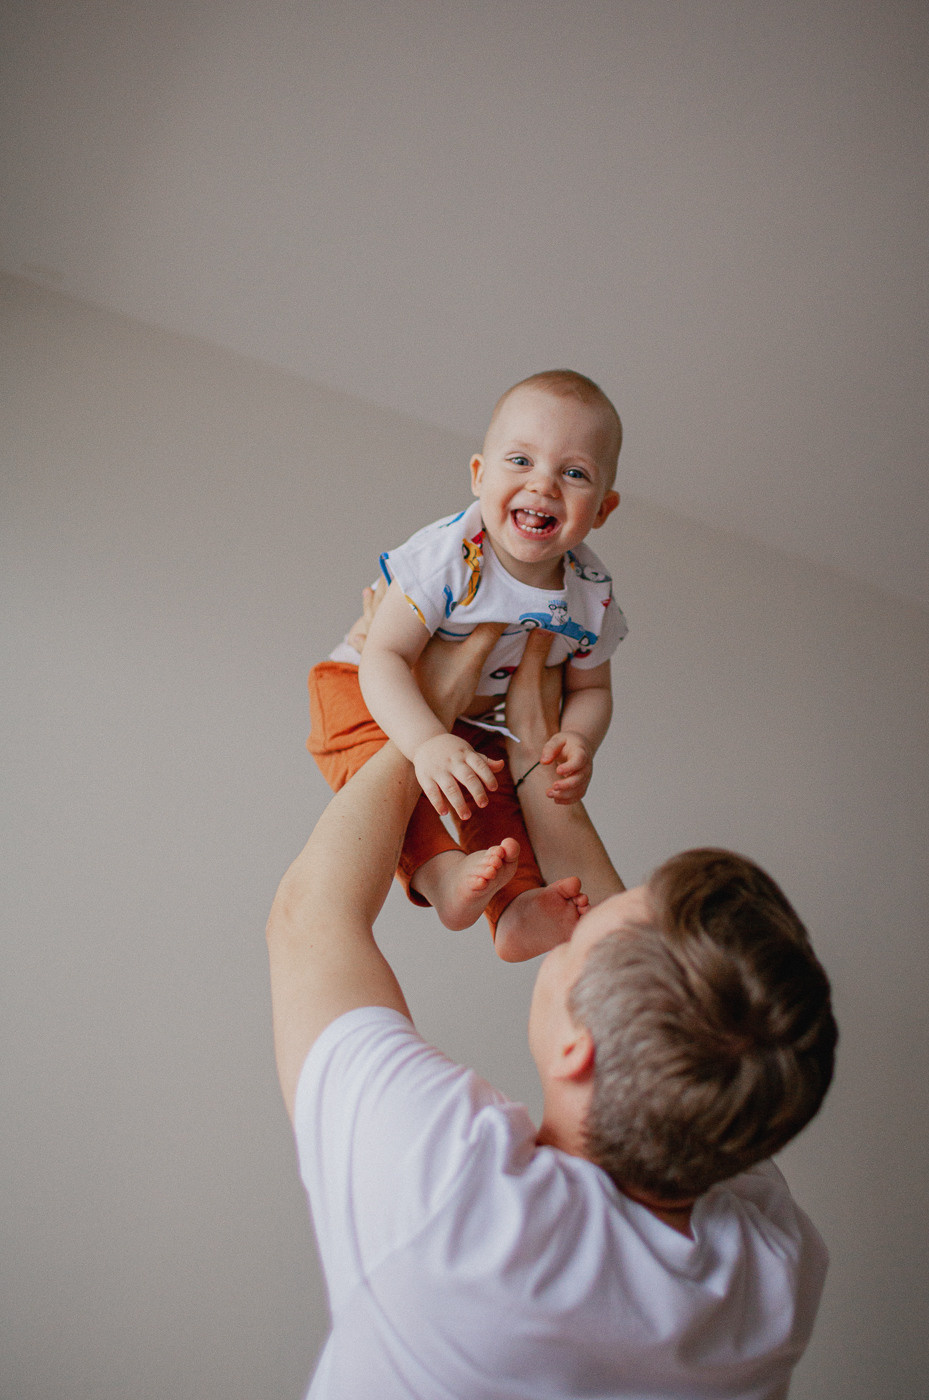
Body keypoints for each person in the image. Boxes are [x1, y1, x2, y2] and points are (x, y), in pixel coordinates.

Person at [268, 624, 837, 1400]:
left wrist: (423, 719)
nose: (575, 918)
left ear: (580, 1046)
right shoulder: (768, 1277)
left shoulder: (452, 1201)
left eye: (577, 942)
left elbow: (311, 921)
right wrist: (534, 752)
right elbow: (675, 999)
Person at [307, 369, 628, 960]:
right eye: (521, 460)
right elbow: (387, 654)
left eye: (574, 472)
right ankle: (438, 873)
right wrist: (426, 741)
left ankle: (515, 908)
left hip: (477, 722)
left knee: (496, 791)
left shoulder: (589, 595)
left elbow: (593, 688)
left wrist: (580, 739)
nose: (544, 485)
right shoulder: (452, 556)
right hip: (366, 690)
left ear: (602, 509)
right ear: (480, 475)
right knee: (395, 782)